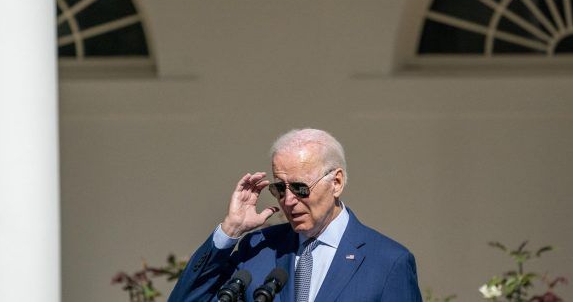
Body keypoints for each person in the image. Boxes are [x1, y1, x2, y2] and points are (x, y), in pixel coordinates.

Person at [169, 128, 422, 302]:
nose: (288, 201)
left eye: (301, 189)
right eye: (279, 188)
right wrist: (230, 231)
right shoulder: (259, 249)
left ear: (336, 182)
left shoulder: (388, 262)